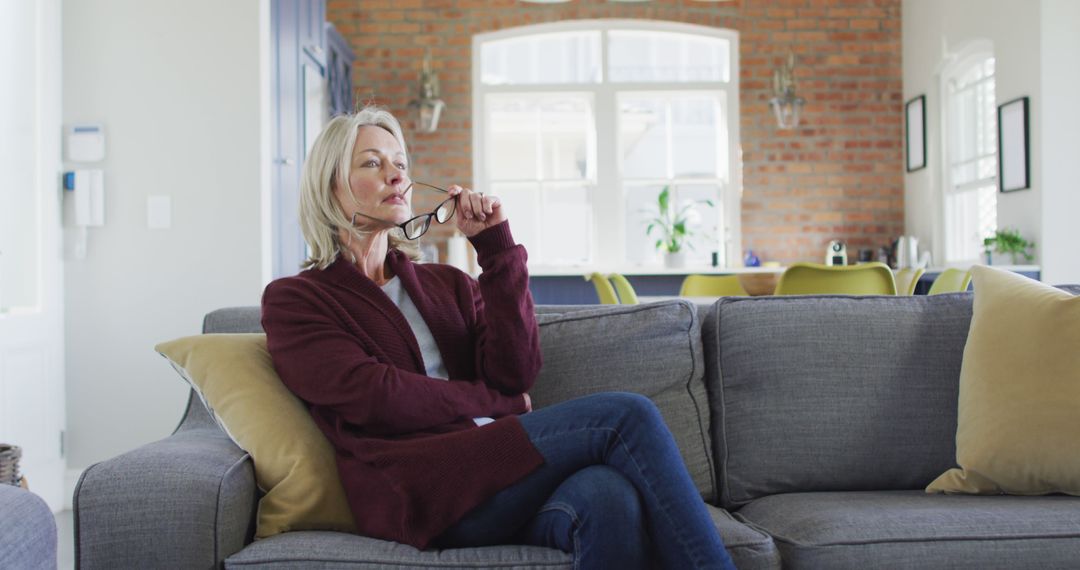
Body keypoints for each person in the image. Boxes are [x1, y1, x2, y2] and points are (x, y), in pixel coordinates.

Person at [261, 106, 737, 570]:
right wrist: (492, 402)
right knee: (626, 415)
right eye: (372, 163)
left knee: (606, 495)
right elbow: (374, 396)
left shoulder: (445, 283)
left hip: (493, 475)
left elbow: (516, 372)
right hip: (419, 489)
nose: (396, 175)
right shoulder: (296, 301)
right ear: (330, 187)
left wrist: (495, 247)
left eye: (400, 163)